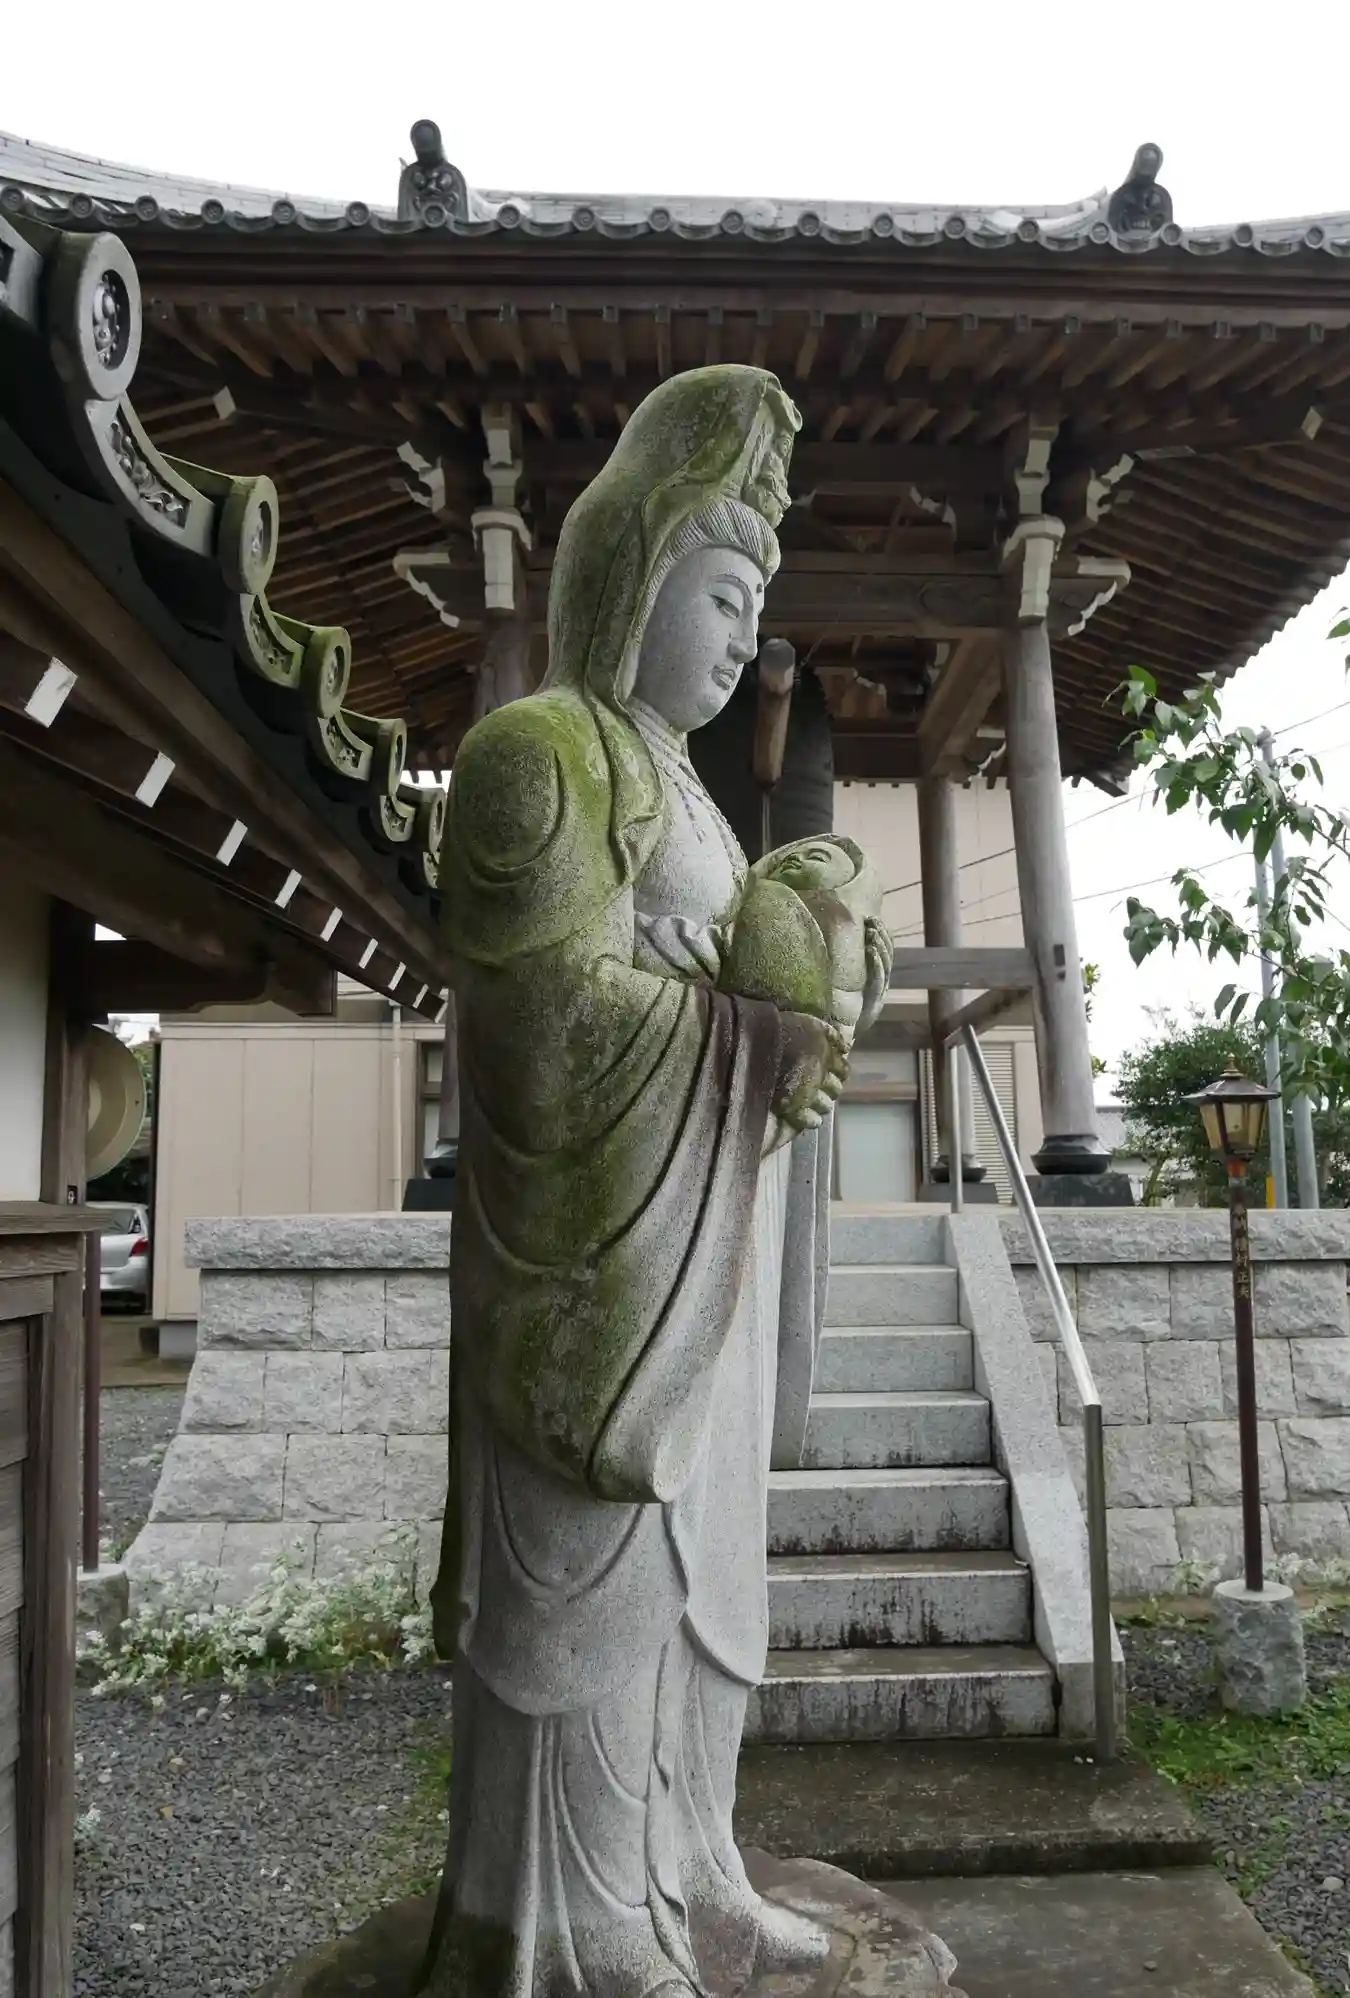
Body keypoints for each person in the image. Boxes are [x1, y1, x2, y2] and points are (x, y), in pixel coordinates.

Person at [422, 365, 889, 1998]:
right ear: (630, 577)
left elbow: (702, 986)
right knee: (595, 1612)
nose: (745, 636)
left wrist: (797, 1008)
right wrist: (742, 1035)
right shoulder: (540, 755)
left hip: (699, 1258)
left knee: (701, 1595)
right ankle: (575, 1924)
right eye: (722, 593)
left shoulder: (690, 789)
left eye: (758, 604)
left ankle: (697, 1867)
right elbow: (538, 1033)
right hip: (599, 1280)